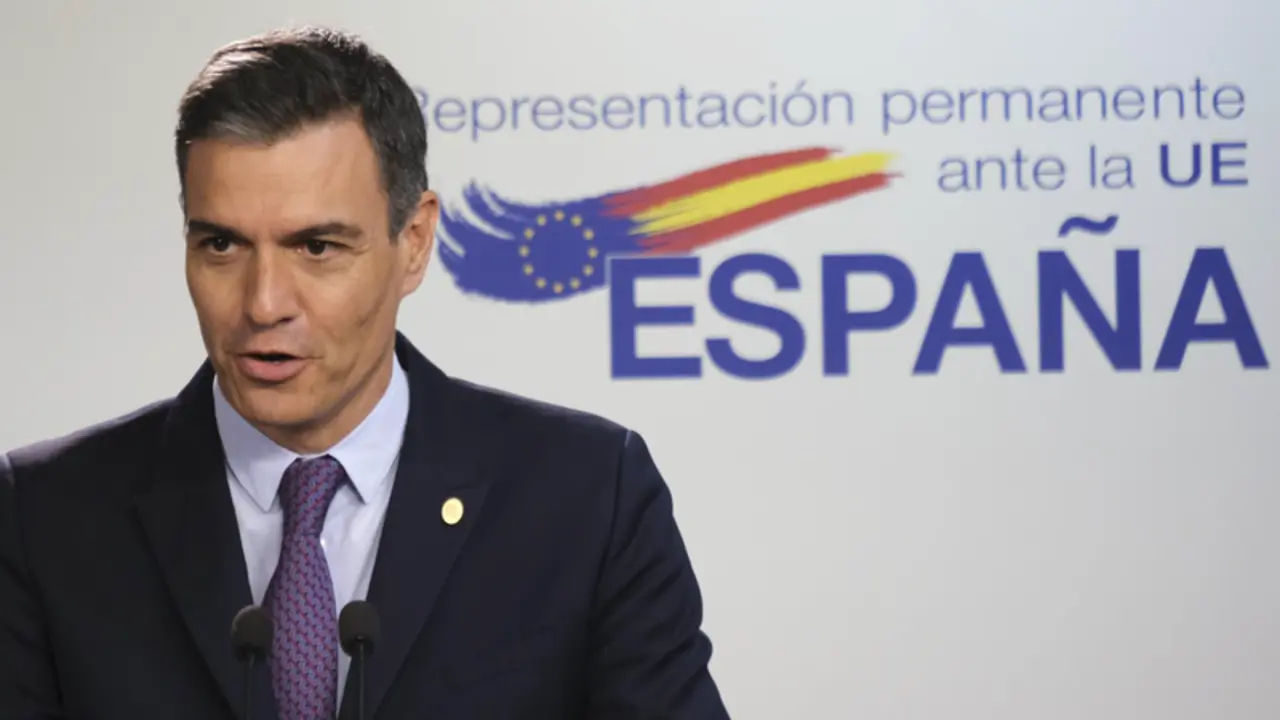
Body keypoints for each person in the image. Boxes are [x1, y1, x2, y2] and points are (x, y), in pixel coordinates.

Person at [0, 26, 730, 720]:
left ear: (413, 242)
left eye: (316, 247)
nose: (263, 303)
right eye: (221, 244)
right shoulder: (46, 516)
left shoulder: (586, 497)